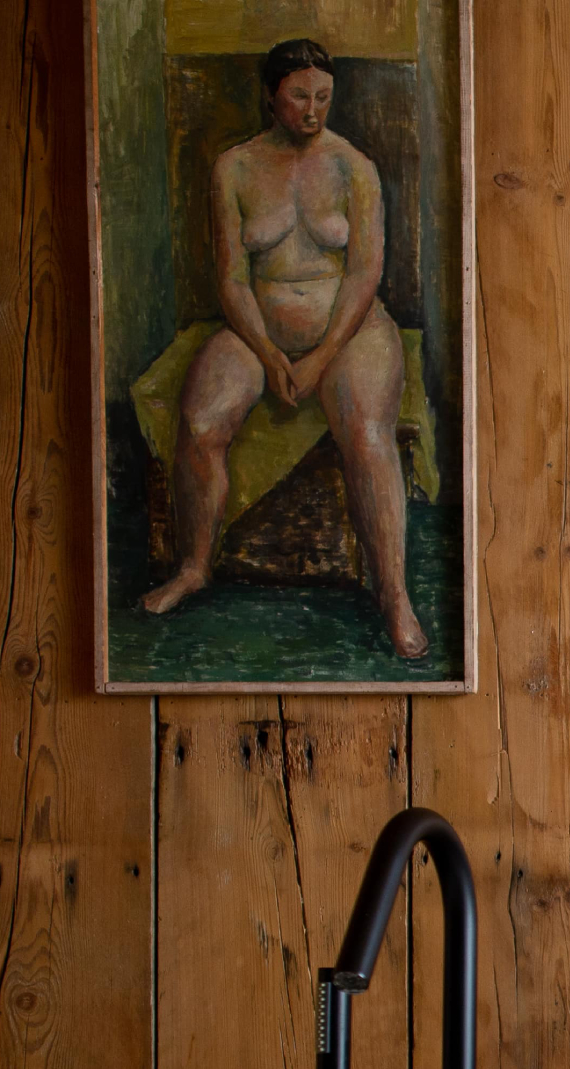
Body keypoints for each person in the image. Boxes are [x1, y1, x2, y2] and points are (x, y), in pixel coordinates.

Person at [141, 38, 425, 657]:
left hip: (350, 331)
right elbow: (233, 280)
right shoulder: (233, 169)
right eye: (300, 96)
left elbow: (363, 274)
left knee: (368, 436)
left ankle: (395, 594)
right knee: (199, 420)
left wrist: (320, 358)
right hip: (257, 329)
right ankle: (193, 565)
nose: (313, 110)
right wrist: (269, 354)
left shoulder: (356, 168)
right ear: (271, 95)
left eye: (323, 96)